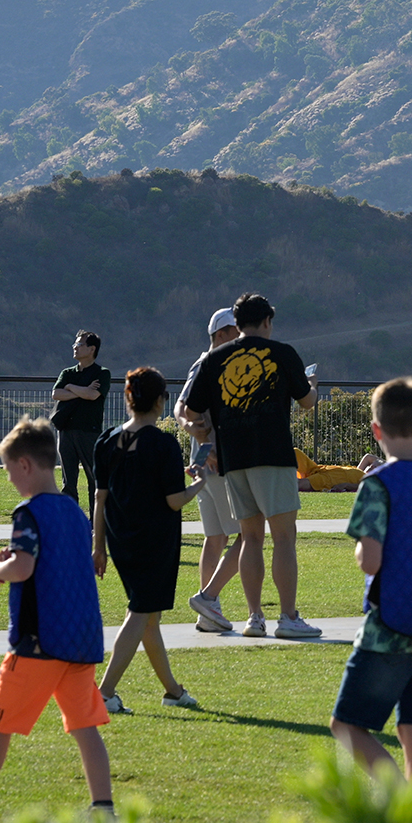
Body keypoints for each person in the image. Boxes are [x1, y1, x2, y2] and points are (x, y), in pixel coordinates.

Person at [0, 417, 112, 823]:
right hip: (79, 639)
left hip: (37, 642)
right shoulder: (73, 511)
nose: (10, 479)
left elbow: (26, 568)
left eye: (10, 470)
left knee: (0, 725)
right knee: (86, 727)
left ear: (26, 464)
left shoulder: (27, 513)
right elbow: (58, 564)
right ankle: (104, 809)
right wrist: (14, 561)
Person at [330, 378, 412, 777]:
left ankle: (402, 810)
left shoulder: (376, 484)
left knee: (348, 725)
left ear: (375, 430)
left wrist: (359, 549)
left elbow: (370, 562)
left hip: (390, 626)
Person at [182, 293, 322, 639]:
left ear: (238, 323)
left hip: (234, 460)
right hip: (272, 455)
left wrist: (201, 435)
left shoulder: (215, 359)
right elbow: (306, 402)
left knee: (251, 538)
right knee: (284, 536)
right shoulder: (282, 353)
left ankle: (254, 617)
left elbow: (189, 410)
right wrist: (313, 387)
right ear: (267, 322)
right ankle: (288, 617)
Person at [94, 368, 205, 712]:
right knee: (140, 611)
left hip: (119, 537)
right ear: (160, 401)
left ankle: (173, 691)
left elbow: (100, 498)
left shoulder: (107, 440)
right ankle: (104, 693)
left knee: (149, 616)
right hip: (154, 540)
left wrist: (98, 546)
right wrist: (202, 482)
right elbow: (174, 501)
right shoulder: (163, 444)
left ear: (128, 398)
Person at [179, 307, 247, 633]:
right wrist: (208, 443)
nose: (242, 338)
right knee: (249, 534)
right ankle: (209, 598)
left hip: (202, 462)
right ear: (221, 335)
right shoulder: (211, 365)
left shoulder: (202, 364)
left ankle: (208, 612)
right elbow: (186, 409)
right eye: (237, 332)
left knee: (215, 535)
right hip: (216, 462)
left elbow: (183, 409)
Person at [51, 331, 111, 507]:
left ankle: (96, 524)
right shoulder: (67, 373)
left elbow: (93, 395)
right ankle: (71, 523)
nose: (74, 348)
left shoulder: (102, 373)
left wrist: (70, 389)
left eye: (79, 345)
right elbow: (56, 394)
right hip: (66, 431)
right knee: (68, 481)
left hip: (89, 432)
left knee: (94, 479)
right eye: (74, 345)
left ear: (92, 349)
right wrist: (78, 389)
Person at [296, 447, 382, 491]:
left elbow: (365, 487)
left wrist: (346, 485)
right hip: (321, 468)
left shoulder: (368, 480)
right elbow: (368, 457)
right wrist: (383, 463)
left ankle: (282, 483)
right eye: (372, 465)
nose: (372, 466)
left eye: (375, 467)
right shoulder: (359, 470)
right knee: (295, 452)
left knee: (298, 484)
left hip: (330, 479)